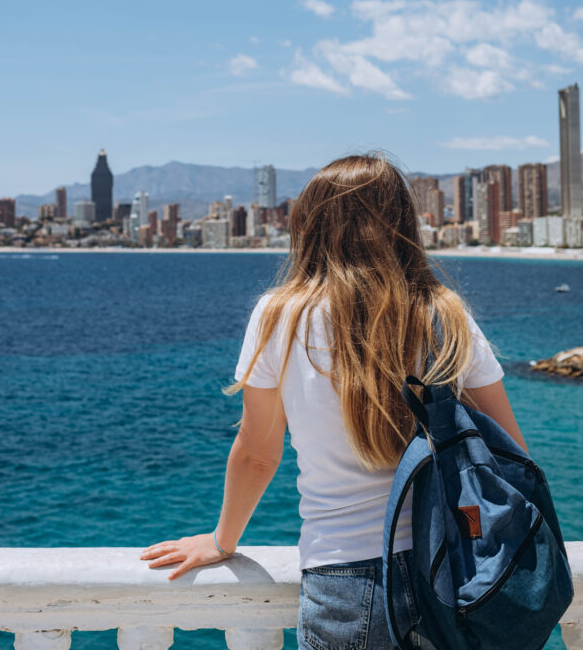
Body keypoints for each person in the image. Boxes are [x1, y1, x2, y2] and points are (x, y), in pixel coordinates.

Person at [140, 154, 528, 649]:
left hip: (343, 579)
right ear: (402, 222)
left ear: (312, 225)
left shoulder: (280, 316)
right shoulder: (442, 312)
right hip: (454, 571)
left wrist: (222, 541)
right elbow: (510, 452)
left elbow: (258, 454)